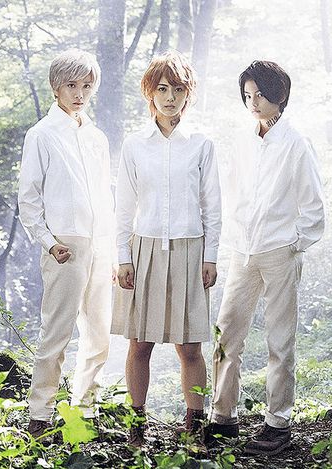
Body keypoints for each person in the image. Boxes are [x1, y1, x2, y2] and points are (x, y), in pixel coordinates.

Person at [208, 60, 325, 455]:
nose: (253, 102)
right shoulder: (242, 140)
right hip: (243, 250)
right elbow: (233, 193)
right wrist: (233, 237)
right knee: (226, 334)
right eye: (247, 95)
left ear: (279, 95)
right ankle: (223, 417)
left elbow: (314, 208)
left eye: (260, 94)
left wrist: (291, 245)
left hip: (279, 251)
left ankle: (277, 425)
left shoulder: (296, 143)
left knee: (280, 340)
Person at [111, 50, 222, 448]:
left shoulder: (201, 144)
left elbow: (212, 205)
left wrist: (211, 256)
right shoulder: (135, 145)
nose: (170, 97)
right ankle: (137, 426)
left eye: (177, 89)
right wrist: (122, 257)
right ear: (150, 93)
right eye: (162, 89)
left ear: (188, 94)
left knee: (189, 347)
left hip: (191, 251)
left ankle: (195, 428)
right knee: (139, 344)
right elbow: (124, 205)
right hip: (144, 250)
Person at [18, 49, 115, 438]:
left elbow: (106, 197)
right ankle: (40, 414)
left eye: (86, 86)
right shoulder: (41, 135)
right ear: (55, 87)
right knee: (56, 331)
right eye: (71, 85)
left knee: (99, 333)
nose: (79, 94)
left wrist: (112, 251)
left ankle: (85, 409)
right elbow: (29, 200)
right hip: (64, 246)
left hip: (99, 244)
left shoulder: (96, 137)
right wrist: (48, 242)